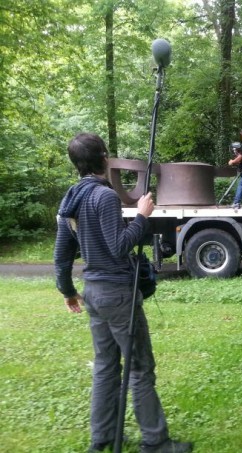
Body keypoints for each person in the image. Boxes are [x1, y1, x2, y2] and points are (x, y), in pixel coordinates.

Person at [54, 133, 192, 453]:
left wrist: (68, 291)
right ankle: (156, 442)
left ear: (76, 164)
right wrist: (143, 215)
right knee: (139, 367)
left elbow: (62, 254)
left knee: (105, 367)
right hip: (116, 294)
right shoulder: (104, 197)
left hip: (93, 294)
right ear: (105, 159)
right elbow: (119, 248)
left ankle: (101, 437)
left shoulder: (70, 199)